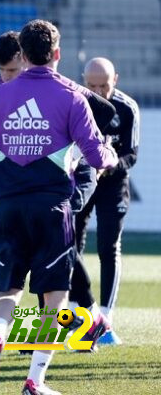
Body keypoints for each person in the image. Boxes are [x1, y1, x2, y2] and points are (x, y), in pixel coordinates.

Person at [0, 20, 118, 395]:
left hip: (8, 203)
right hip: (52, 204)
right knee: (55, 296)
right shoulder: (71, 95)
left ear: (22, 54)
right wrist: (111, 159)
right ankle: (35, 379)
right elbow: (95, 154)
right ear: (57, 53)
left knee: (8, 290)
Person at [72, 57, 140, 346]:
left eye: (104, 86)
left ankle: (106, 317)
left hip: (112, 183)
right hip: (83, 180)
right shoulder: (76, 101)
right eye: (92, 85)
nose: (98, 92)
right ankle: (78, 316)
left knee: (108, 247)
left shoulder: (127, 108)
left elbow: (132, 155)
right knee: (70, 243)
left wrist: (108, 165)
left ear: (117, 80)